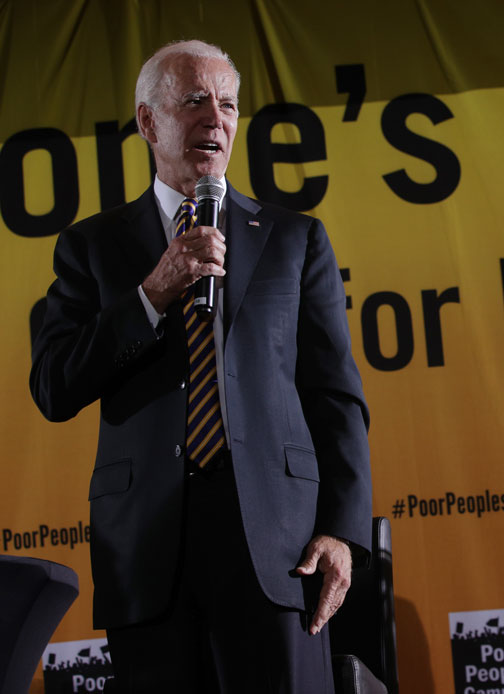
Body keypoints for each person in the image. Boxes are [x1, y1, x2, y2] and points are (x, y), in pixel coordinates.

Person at [29, 39, 371, 692]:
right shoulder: (91, 248)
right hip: (148, 555)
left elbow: (335, 398)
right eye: (194, 101)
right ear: (148, 122)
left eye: (229, 104)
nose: (215, 118)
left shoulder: (295, 241)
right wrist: (152, 292)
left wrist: (340, 531)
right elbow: (53, 384)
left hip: (278, 548)